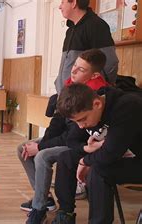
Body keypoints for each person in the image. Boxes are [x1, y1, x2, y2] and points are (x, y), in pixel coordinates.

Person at [23, 48, 111, 224]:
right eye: (75, 65)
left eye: (81, 69)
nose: (73, 70)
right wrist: (42, 141)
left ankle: (39, 208)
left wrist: (41, 147)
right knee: (23, 148)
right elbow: (56, 123)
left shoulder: (96, 95)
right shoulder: (69, 86)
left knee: (42, 155)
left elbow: (76, 133)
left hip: (79, 142)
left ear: (93, 76)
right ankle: (45, 198)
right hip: (71, 139)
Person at [53, 83, 142, 224]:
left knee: (99, 169)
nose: (81, 126)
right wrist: (87, 150)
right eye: (76, 122)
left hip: (138, 160)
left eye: (82, 120)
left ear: (97, 104)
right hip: (116, 154)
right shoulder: (86, 108)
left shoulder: (128, 106)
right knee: (66, 158)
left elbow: (110, 154)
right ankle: (65, 214)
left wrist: (85, 161)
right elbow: (71, 140)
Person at [54, 0, 118, 94]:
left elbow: (110, 63)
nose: (60, 7)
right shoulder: (70, 30)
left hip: (84, 100)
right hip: (67, 96)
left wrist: (96, 92)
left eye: (63, 2)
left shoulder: (96, 25)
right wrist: (59, 83)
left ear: (74, 3)